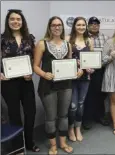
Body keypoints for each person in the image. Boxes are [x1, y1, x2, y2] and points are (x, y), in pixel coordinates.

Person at [33, 16, 75, 154]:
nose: (57, 27)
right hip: (47, 86)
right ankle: (52, 145)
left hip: (66, 85)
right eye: (53, 25)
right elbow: (35, 66)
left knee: (63, 115)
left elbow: (68, 65)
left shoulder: (68, 44)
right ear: (49, 27)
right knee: (50, 117)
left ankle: (62, 143)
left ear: (62, 27)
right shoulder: (42, 44)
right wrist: (44, 74)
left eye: (59, 25)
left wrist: (76, 70)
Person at [1, 9, 40, 155]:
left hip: (26, 81)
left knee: (31, 112)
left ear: (22, 21)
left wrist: (30, 72)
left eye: (18, 19)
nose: (15, 22)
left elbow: (34, 60)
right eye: (12, 19)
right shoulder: (1, 39)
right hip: (8, 83)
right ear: (8, 21)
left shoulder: (29, 38)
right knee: (14, 114)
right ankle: (18, 147)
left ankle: (30, 143)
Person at [66, 17, 94, 142]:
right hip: (72, 77)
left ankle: (78, 127)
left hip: (85, 78)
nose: (81, 27)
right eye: (78, 25)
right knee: (72, 106)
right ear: (74, 26)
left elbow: (92, 59)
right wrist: (76, 64)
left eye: (83, 25)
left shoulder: (89, 40)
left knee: (81, 104)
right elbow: (65, 60)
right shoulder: (68, 39)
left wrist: (91, 68)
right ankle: (70, 129)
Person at [82, 16, 110, 130]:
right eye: (92, 24)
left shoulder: (105, 38)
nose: (94, 26)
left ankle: (100, 116)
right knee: (87, 95)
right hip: (85, 70)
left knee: (100, 94)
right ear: (88, 26)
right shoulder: (82, 37)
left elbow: (107, 54)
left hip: (100, 70)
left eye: (96, 24)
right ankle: (87, 118)